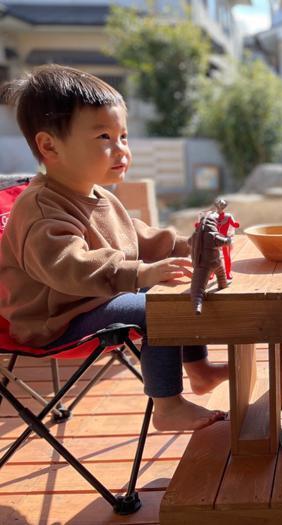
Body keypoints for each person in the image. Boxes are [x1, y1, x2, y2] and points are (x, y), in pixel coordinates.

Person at [0, 65, 228, 431]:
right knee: (160, 307)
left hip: (92, 300)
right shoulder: (41, 208)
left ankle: (198, 370)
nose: (121, 149)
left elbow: (133, 235)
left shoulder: (96, 193)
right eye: (104, 137)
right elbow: (69, 266)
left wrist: (185, 246)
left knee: (177, 288)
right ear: (50, 146)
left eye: (123, 136)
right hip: (57, 319)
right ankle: (167, 406)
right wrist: (141, 273)